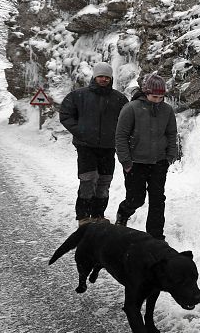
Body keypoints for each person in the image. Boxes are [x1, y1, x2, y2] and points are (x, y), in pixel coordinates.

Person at [59, 61, 129, 226]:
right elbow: (65, 114)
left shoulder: (119, 99)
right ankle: (83, 216)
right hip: (86, 146)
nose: (104, 79)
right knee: (88, 180)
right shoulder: (78, 95)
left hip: (108, 147)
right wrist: (80, 131)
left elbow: (127, 121)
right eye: (100, 76)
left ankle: (98, 215)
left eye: (107, 77)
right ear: (94, 77)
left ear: (110, 78)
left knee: (104, 181)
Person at [114, 73, 178, 241]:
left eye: (161, 97)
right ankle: (123, 214)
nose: (157, 100)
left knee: (158, 200)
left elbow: (171, 134)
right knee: (136, 199)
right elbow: (121, 136)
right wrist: (126, 161)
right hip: (135, 163)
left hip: (159, 162)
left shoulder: (167, 110)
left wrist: (170, 155)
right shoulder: (131, 108)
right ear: (145, 92)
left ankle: (155, 236)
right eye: (154, 96)